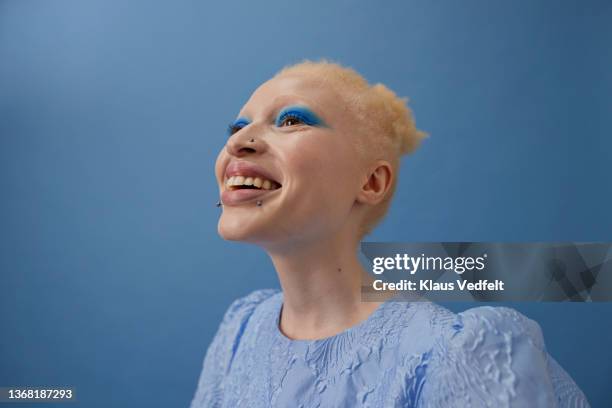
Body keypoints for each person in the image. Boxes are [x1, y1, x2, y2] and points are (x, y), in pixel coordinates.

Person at [190, 60, 590, 407]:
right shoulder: (241, 330)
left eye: (291, 120)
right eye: (237, 126)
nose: (238, 142)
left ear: (372, 182)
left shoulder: (458, 353)